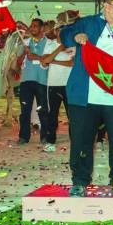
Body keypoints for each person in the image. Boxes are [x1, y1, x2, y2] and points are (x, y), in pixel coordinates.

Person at [59, 0, 113, 196]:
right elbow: (64, 33)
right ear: (106, 5)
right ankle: (80, 181)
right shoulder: (88, 23)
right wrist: (76, 36)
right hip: (87, 95)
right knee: (81, 140)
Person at [40, 14, 76, 153]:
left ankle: (75, 141)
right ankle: (50, 141)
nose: (61, 32)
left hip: (69, 84)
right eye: (59, 29)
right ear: (55, 31)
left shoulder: (73, 45)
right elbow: (45, 61)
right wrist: (59, 48)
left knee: (72, 115)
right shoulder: (49, 44)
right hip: (53, 84)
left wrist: (53, 61)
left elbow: (72, 63)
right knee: (52, 115)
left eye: (64, 29)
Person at [17, 18, 51, 145]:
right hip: (26, 80)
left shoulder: (48, 43)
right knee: (25, 110)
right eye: (31, 26)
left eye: (35, 26)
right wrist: (24, 54)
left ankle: (45, 137)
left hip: (42, 81)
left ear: (42, 28)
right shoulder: (26, 42)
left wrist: (34, 56)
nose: (32, 28)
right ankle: (23, 137)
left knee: (43, 110)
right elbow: (18, 63)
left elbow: (49, 59)